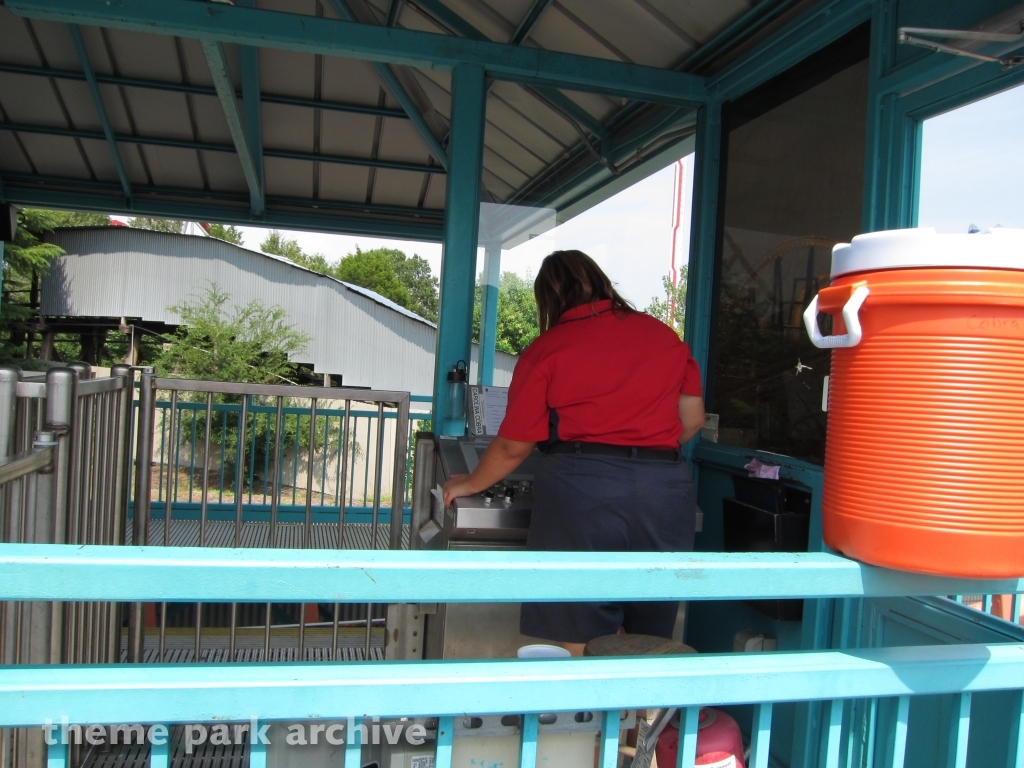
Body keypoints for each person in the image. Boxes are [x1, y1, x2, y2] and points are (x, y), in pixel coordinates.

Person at [443, 250, 705, 656]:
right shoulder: (665, 338)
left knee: (581, 619)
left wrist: (470, 482)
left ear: (549, 298)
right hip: (665, 489)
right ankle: (638, 717)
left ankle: (600, 712)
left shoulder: (548, 348)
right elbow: (691, 420)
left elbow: (514, 446)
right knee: (652, 628)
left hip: (583, 489)